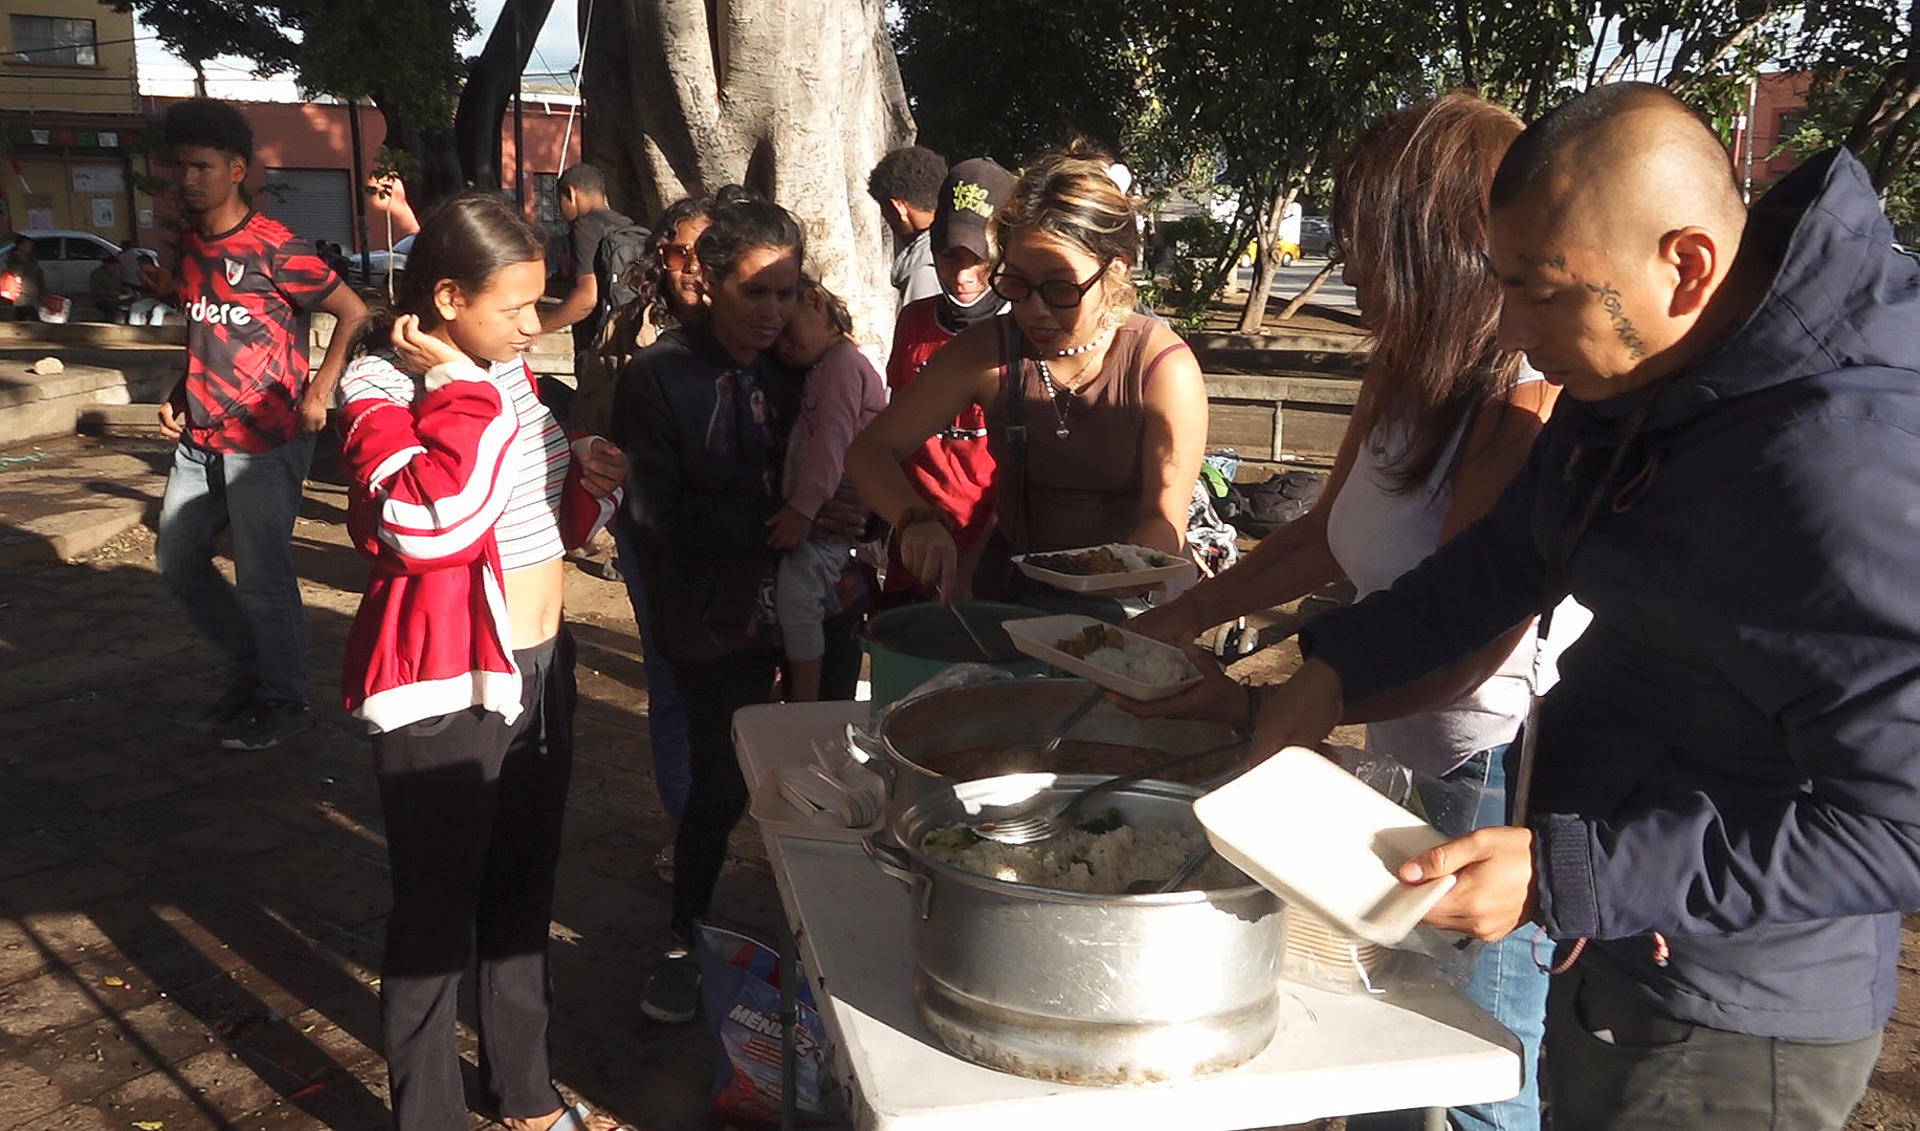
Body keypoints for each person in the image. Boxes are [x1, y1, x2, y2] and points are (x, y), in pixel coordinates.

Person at [1187, 84, 1920, 1130]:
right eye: (1504, 288)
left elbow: (1901, 826)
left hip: (1732, 1012)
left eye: (1544, 293)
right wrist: (1333, 665)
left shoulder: (1837, 478)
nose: (1522, 343)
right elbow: (1499, 565)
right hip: (1613, 928)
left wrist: (1574, 875)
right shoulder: (1643, 378)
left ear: (1687, 263)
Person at [1126, 93, 1568, 1131]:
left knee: (1475, 1065)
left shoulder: (1525, 401)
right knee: (1384, 1025)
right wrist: (1181, 619)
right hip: (1401, 735)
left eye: (1369, 241)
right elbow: (1327, 534)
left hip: (1496, 765)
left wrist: (1265, 708)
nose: (1349, 268)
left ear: (1440, 246)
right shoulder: (1405, 369)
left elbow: (1460, 641)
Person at [336, 191, 627, 1131]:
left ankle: (526, 1097)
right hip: (446, 685)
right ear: (450, 297)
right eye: (516, 309)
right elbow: (430, 523)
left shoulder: (509, 375)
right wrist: (462, 389)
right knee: (432, 921)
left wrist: (586, 474)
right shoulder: (379, 389)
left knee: (520, 896)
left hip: (541, 665)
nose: (533, 327)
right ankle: (426, 1116)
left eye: (539, 307)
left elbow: (536, 519)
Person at [613, 187, 862, 1025]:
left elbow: (861, 450)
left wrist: (853, 508)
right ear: (708, 280)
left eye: (788, 291)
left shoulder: (813, 365)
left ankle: (832, 944)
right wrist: (774, 525)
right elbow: (653, 515)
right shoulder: (657, 377)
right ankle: (687, 939)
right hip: (717, 617)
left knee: (831, 772)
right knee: (720, 787)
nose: (774, 311)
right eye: (756, 291)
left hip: (826, 606)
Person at [846, 143, 1209, 618]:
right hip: (1011, 593)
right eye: (1015, 284)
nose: (1034, 311)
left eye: (1061, 289)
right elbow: (870, 451)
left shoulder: (1162, 368)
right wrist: (915, 519)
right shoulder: (989, 350)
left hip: (1131, 599)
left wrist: (1095, 583)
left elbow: (1163, 523)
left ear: (1116, 269)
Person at [147, 97, 368, 750]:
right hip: (201, 438)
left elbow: (353, 311)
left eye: (202, 166)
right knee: (179, 559)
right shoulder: (193, 246)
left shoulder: (278, 249)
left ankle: (282, 695)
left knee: (263, 577)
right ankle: (253, 670)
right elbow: (208, 324)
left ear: (237, 168)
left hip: (265, 441)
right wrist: (181, 389)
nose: (188, 179)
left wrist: (321, 389)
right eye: (179, 167)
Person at [608, 194, 717, 881]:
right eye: (680, 253)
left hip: (739, 544)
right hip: (653, 544)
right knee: (672, 685)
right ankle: (689, 830)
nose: (694, 268)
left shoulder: (768, 335)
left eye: (712, 253)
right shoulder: (629, 334)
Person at [880, 157, 1016, 601]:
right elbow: (887, 440)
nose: (962, 275)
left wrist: (975, 564)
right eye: (950, 256)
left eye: (980, 259)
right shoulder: (914, 321)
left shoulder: (1022, 337)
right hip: (915, 545)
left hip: (995, 560)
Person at [769, 275, 887, 701]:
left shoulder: (840, 366)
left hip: (829, 514)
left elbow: (830, 448)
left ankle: (804, 700)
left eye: (787, 328)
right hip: (828, 511)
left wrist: (802, 511)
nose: (781, 344)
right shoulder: (832, 364)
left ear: (816, 302)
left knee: (798, 599)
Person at [540, 163, 637, 422]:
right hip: (624, 343)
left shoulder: (584, 227)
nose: (561, 212)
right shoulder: (626, 224)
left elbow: (586, 297)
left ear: (570, 194)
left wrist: (541, 327)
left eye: (560, 202)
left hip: (595, 349)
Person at [867, 145, 947, 306]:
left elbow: (922, 329)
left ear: (899, 208)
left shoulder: (922, 268)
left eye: (884, 209)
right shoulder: (967, 240)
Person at [2, 236, 44, 320]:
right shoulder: (14, 259)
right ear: (20, 246)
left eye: (30, 245)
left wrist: (43, 290)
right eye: (26, 245)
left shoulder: (31, 258)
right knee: (27, 316)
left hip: (32, 294)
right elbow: (17, 272)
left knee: (25, 316)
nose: (29, 247)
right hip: (22, 294)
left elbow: (38, 275)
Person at [89, 251, 132, 322]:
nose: (116, 269)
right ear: (107, 265)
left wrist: (127, 290)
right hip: (102, 299)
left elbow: (120, 285)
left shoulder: (116, 273)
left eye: (117, 267)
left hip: (118, 298)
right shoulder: (97, 274)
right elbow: (95, 290)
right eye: (114, 267)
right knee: (112, 310)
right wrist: (109, 292)